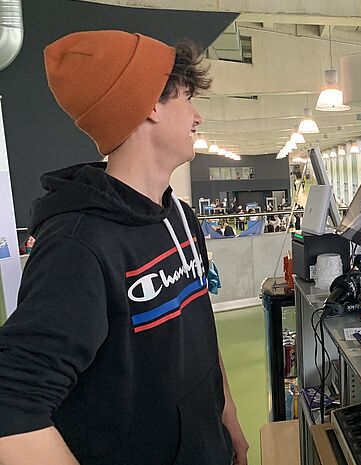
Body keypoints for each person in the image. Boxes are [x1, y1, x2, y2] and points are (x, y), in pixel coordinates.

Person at [0, 31, 248, 465]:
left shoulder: (182, 218)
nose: (197, 117)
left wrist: (229, 423)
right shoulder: (77, 245)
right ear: (150, 104)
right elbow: (12, 405)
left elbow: (200, 335)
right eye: (187, 98)